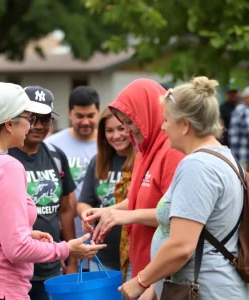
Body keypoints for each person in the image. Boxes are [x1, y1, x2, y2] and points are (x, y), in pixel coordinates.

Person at [0, 82, 106, 300]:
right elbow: (16, 250)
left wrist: (26, 234)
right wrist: (66, 249)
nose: (31, 126)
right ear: (9, 124)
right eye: (29, 119)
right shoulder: (7, 166)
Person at [119, 76, 249, 299]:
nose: (162, 126)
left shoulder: (196, 166)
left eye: (167, 120)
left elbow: (181, 245)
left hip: (204, 290)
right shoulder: (225, 158)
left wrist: (141, 281)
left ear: (185, 125)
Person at [81, 79, 184, 286]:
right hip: (140, 264)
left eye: (129, 122)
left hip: (162, 271)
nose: (127, 131)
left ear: (147, 113)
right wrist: (107, 211)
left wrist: (123, 216)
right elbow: (138, 200)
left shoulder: (171, 151)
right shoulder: (143, 150)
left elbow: (176, 215)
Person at [8, 86, 77, 300]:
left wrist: (71, 259)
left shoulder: (56, 156)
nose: (38, 126)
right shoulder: (4, 156)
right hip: (14, 269)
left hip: (51, 266)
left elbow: (65, 210)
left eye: (45, 120)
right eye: (33, 119)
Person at [45, 86, 100, 270]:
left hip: (101, 243)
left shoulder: (109, 144)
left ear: (99, 112)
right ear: (69, 113)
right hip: (62, 243)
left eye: (91, 115)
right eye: (79, 116)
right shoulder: (51, 145)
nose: (85, 121)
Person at [77, 107, 136, 278]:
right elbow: (84, 201)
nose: (116, 136)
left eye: (120, 128)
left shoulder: (142, 160)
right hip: (102, 258)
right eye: (109, 130)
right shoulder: (98, 161)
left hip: (134, 256)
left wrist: (107, 212)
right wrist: (87, 215)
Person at [229, 86, 249, 171]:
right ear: (246, 98)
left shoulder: (237, 109)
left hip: (236, 153)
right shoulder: (246, 111)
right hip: (244, 153)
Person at [220, 80, 240, 146]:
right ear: (227, 94)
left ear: (238, 93)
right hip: (227, 144)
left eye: (234, 92)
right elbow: (221, 127)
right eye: (230, 92)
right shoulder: (222, 108)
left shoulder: (243, 107)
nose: (233, 95)